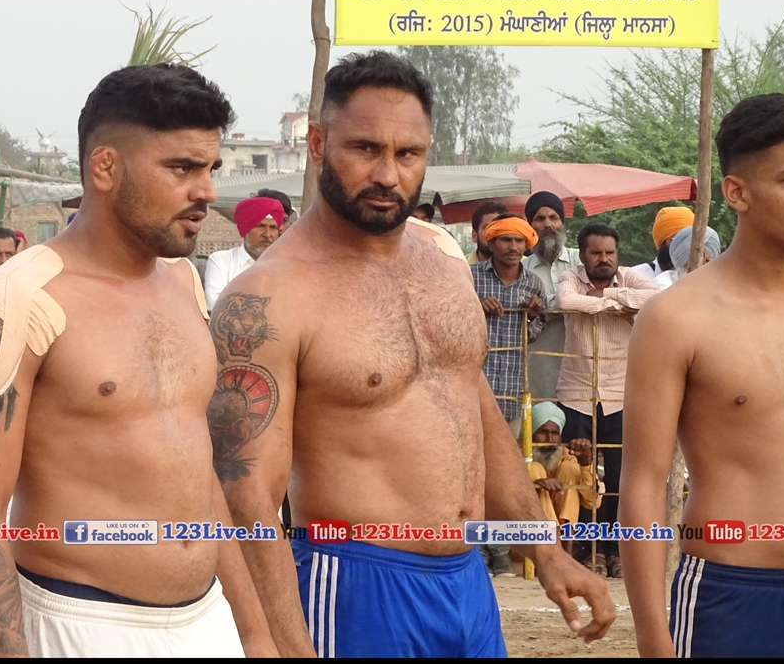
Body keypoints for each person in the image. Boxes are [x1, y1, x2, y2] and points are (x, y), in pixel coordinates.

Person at [213, 51, 613, 658]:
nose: (387, 174)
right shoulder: (270, 297)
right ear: (318, 144)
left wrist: (544, 549)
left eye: (408, 154)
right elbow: (245, 500)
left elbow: (477, 414)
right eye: (365, 149)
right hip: (353, 584)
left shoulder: (445, 270)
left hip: (466, 582)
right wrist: (287, 645)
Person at [0, 63, 274, 658]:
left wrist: (253, 634)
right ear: (106, 167)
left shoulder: (183, 282)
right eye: (182, 168)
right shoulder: (16, 302)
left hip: (206, 620)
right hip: (81, 622)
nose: (206, 192)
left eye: (210, 169)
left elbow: (199, 475)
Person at [620, 93, 784, 659]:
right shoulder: (675, 318)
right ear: (737, 193)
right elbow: (644, 483)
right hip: (730, 592)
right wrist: (653, 638)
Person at [555, 223, 659, 579]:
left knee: (618, 476)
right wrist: (616, 305)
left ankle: (614, 550)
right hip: (576, 393)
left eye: (609, 253)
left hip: (620, 394)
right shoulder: (571, 277)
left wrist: (609, 297)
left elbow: (656, 296)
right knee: (579, 473)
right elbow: (566, 301)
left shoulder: (630, 277)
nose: (604, 259)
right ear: (583, 255)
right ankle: (588, 550)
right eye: (596, 253)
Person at [471, 212, 546, 578]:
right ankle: (478, 551)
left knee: (503, 475)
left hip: (512, 390)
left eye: (519, 241)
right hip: (473, 388)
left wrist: (532, 316)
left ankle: (500, 553)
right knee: (472, 472)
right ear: (491, 242)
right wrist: (476, 308)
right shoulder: (471, 279)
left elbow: (534, 334)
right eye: (506, 240)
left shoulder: (533, 284)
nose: (513, 247)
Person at [523, 190, 581, 403]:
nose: (548, 224)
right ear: (530, 226)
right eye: (539, 218)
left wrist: (545, 304)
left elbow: (592, 293)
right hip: (540, 368)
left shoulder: (580, 260)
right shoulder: (521, 269)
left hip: (582, 365)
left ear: (562, 223)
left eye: (553, 217)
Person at [526, 402, 599, 542]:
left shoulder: (567, 456)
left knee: (569, 469)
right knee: (534, 468)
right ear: (531, 434)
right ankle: (552, 546)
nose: (549, 440)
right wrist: (534, 484)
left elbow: (593, 502)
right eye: (543, 432)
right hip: (525, 536)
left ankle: (565, 548)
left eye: (555, 433)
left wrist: (585, 463)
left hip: (562, 537)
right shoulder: (516, 455)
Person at [203, 196, 285, 308]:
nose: (267, 234)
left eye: (273, 227)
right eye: (260, 226)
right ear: (245, 229)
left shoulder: (286, 266)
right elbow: (214, 303)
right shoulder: (221, 260)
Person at [630, 206, 695, 282]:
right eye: (677, 241)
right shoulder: (635, 276)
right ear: (663, 242)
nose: (684, 247)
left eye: (689, 241)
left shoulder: (702, 277)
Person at [653, 224, 722, 289]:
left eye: (709, 262)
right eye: (702, 260)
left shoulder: (715, 286)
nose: (704, 267)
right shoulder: (663, 284)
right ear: (683, 258)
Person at [467, 200, 511, 264]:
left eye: (500, 229)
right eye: (488, 228)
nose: (494, 234)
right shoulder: (460, 266)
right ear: (474, 236)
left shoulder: (524, 264)